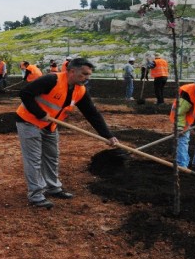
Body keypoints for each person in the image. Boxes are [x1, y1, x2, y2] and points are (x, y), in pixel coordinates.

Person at [16, 58, 119, 208]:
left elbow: (92, 113)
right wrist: (39, 113)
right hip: (29, 121)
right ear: (72, 71)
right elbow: (25, 93)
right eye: (84, 74)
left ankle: (53, 187)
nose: (87, 78)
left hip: (50, 125)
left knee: (52, 156)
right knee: (34, 159)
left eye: (89, 75)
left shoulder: (80, 90)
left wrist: (108, 135)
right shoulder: (51, 80)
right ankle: (36, 195)